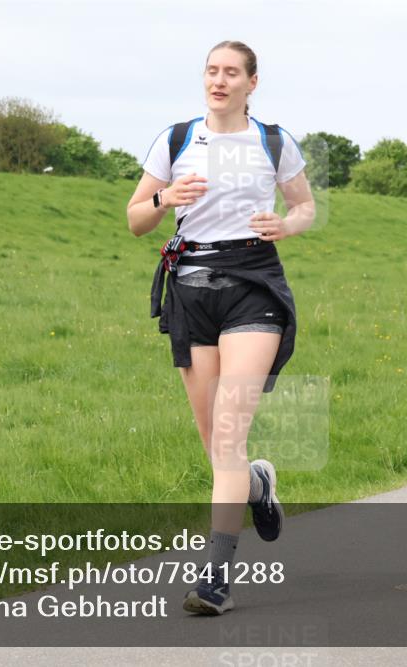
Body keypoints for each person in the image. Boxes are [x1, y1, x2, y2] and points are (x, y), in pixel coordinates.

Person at [126, 40, 315, 615]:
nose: (220, 80)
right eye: (212, 71)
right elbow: (135, 220)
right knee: (217, 445)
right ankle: (258, 484)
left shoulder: (273, 141)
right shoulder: (176, 139)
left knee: (229, 434)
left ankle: (215, 579)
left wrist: (287, 225)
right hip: (190, 286)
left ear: (252, 83)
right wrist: (164, 196)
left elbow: (305, 206)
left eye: (232, 72)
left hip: (252, 285)